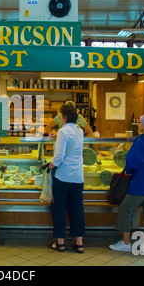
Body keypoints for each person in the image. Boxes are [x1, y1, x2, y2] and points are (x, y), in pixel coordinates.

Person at [109, 113, 144, 256]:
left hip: (140, 183)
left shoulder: (141, 141)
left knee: (125, 209)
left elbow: (131, 161)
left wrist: (128, 171)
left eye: (140, 123)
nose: (138, 125)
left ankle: (126, 242)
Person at [47, 102, 85, 253]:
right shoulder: (79, 130)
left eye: (61, 116)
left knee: (60, 209)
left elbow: (58, 157)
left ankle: (60, 243)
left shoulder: (63, 132)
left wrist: (49, 167)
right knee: (77, 209)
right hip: (77, 176)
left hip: (63, 177)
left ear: (64, 117)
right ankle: (79, 243)